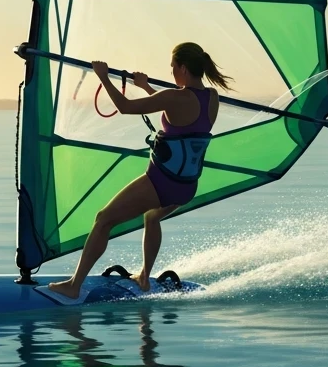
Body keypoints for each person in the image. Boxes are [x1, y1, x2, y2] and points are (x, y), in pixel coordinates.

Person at [48, 42, 229, 297]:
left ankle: (73, 286)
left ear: (184, 68)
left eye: (173, 68)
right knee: (151, 217)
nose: (171, 73)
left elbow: (126, 107)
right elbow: (179, 111)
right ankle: (144, 276)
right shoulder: (212, 97)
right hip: (187, 186)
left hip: (162, 182)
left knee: (103, 219)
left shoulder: (173, 96)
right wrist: (145, 88)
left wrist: (102, 77)